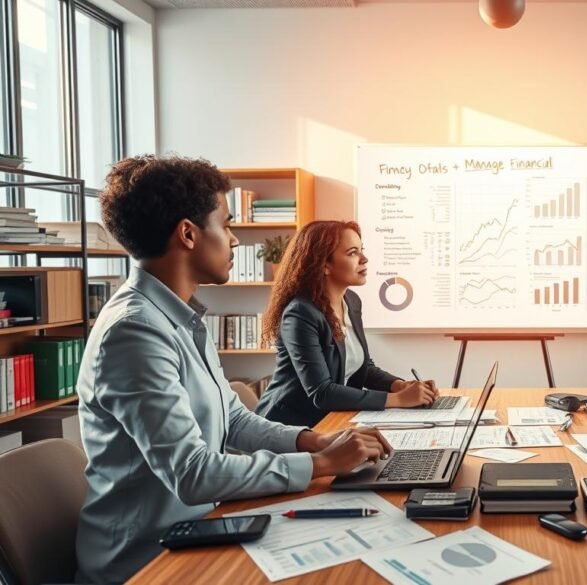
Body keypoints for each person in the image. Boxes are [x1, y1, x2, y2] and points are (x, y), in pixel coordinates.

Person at [76, 155, 393, 584]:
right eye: (225, 225)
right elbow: (192, 473)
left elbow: (234, 418)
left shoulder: (178, 316)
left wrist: (313, 440)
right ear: (188, 234)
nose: (235, 239)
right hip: (147, 561)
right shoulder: (135, 332)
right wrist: (319, 462)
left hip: (203, 527)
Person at [255, 220, 438, 427]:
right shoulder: (300, 314)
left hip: (330, 419)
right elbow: (322, 392)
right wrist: (397, 400)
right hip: (286, 426)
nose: (364, 259)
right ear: (324, 264)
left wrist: (400, 386)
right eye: (352, 253)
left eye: (362, 250)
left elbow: (363, 367)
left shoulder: (351, 301)